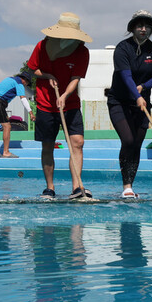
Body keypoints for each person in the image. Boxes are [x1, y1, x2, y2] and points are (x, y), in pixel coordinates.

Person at [27, 12, 93, 199]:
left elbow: (76, 78)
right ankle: (50, 188)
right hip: (46, 104)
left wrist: (65, 94)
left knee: (77, 143)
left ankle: (77, 187)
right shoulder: (42, 46)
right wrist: (47, 76)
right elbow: (33, 69)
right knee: (47, 146)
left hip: (70, 104)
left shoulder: (82, 51)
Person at [107, 10, 152, 199]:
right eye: (139, 25)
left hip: (142, 104)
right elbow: (125, 75)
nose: (143, 28)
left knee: (137, 144)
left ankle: (130, 187)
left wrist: (144, 87)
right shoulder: (123, 48)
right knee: (128, 141)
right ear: (132, 28)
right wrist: (135, 94)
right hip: (119, 102)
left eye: (146, 26)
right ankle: (126, 183)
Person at [0, 69, 33, 158]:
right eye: (27, 83)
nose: (25, 85)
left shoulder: (8, 79)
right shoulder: (19, 83)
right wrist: (30, 112)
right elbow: (23, 98)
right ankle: (6, 152)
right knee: (7, 126)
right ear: (25, 80)